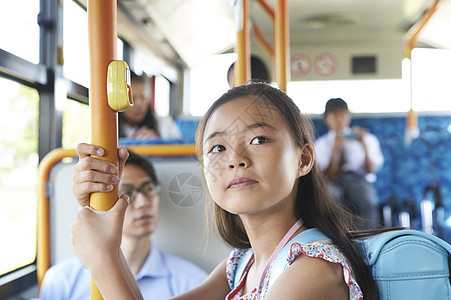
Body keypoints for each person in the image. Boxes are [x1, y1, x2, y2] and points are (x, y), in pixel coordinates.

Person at [70, 82, 378, 299]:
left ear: (304, 158)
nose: (235, 160)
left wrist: (103, 259)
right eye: (217, 148)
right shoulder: (241, 265)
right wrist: (108, 241)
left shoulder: (312, 270)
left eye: (258, 140)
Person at [39, 151, 207, 300]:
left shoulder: (192, 283)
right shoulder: (61, 281)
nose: (142, 203)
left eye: (148, 188)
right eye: (127, 192)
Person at [314, 98, 384, 229]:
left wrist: (363, 144)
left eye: (343, 115)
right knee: (327, 199)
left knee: (367, 200)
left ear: (348, 117)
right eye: (334, 115)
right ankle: (337, 239)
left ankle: (368, 239)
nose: (339, 119)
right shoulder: (320, 145)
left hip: (358, 180)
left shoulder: (367, 139)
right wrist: (335, 151)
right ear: (326, 119)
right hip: (332, 182)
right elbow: (326, 177)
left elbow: (371, 170)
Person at [119, 71, 182, 140]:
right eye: (131, 98)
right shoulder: (110, 133)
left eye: (142, 96)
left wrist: (157, 142)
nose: (140, 104)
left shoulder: (165, 124)